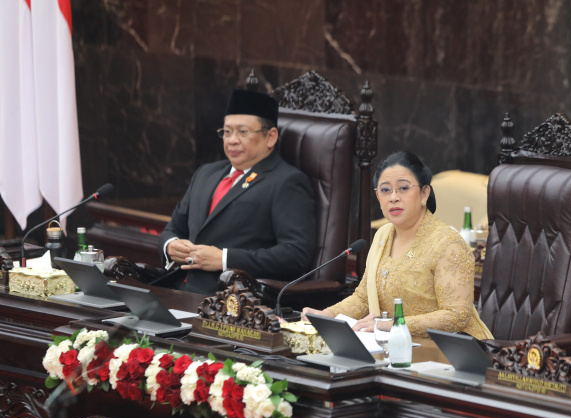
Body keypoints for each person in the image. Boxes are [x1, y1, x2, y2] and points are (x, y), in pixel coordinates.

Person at [302, 151, 493, 341]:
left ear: (424, 193)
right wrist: (328, 315)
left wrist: (391, 324)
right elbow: (363, 299)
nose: (393, 197)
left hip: (454, 353)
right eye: (385, 190)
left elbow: (456, 316)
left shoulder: (448, 244)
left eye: (403, 188)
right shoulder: (382, 236)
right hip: (398, 347)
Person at [160, 89, 316, 295]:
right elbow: (173, 229)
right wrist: (170, 247)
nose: (232, 140)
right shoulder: (206, 173)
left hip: (230, 302)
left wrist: (224, 259)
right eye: (226, 132)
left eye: (242, 132)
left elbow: (295, 255)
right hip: (175, 288)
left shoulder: (287, 182)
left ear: (270, 137)